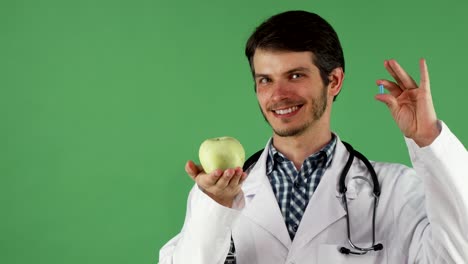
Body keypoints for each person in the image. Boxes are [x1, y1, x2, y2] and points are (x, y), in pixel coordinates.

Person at [159, 10, 468, 263]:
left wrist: (430, 140)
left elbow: (458, 256)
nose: (278, 95)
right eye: (265, 80)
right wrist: (216, 209)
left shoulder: (395, 191)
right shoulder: (218, 193)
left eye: (295, 75)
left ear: (333, 81)